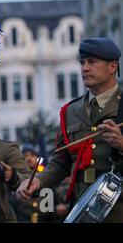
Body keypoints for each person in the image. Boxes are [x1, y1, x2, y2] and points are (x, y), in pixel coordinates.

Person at [16, 37, 123, 222]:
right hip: (81, 207)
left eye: (92, 62)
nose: (85, 68)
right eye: (82, 62)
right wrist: (38, 181)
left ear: (112, 67)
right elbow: (60, 162)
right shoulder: (71, 111)